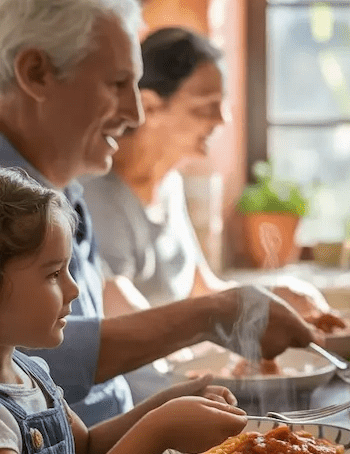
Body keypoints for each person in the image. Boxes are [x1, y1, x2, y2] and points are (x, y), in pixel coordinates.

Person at [0, 0, 318, 427]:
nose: (134, 112)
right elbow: (27, 364)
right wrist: (212, 314)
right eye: (117, 84)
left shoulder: (65, 186)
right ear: (36, 73)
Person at [0, 166, 247, 454]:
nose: (74, 289)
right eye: (53, 274)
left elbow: (88, 447)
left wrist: (167, 403)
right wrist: (158, 431)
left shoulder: (28, 371)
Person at [80, 26, 331, 319]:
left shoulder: (170, 184)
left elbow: (202, 289)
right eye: (205, 108)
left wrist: (277, 297)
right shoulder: (96, 192)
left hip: (179, 362)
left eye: (222, 104)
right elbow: (122, 319)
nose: (222, 119)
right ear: (148, 106)